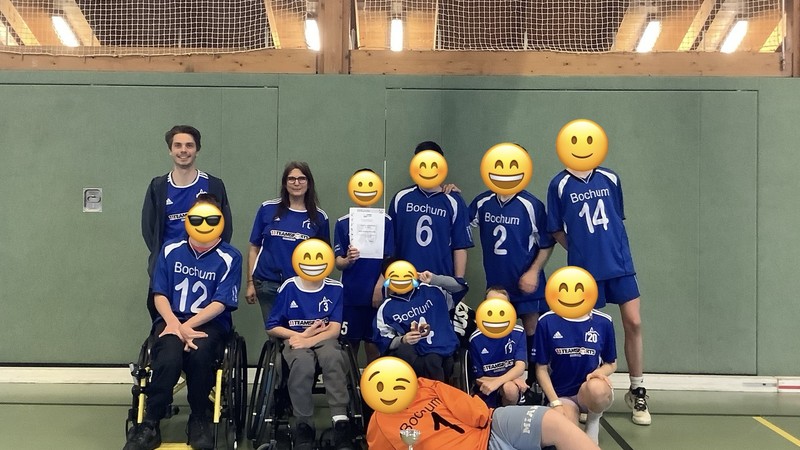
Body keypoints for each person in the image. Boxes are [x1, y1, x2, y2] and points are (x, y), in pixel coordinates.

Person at [125, 195, 241, 450]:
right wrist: (175, 326)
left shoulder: (230, 256)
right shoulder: (170, 249)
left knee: (200, 357)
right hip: (171, 319)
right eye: (198, 217)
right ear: (189, 219)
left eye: (211, 218)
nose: (203, 223)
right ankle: (150, 422)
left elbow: (220, 303)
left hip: (209, 322)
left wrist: (188, 328)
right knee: (167, 356)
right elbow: (160, 295)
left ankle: (199, 419)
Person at [547, 157, 650, 425]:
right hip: (585, 272)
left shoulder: (610, 177)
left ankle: (637, 390)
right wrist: (581, 251)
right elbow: (556, 229)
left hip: (619, 264)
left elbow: (616, 220)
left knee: (634, 322)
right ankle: (585, 394)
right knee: (584, 332)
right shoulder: (559, 184)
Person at [265, 246, 354, 450]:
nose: (313, 263)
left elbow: (334, 329)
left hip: (324, 338)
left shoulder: (335, 288)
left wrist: (309, 340)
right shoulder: (289, 287)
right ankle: (303, 423)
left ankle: (340, 420)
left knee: (333, 356)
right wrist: (300, 336)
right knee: (302, 363)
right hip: (294, 337)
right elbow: (272, 327)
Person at [141, 125, 233, 320]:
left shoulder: (213, 184)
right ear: (170, 150)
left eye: (189, 145)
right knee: (164, 325)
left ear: (197, 150)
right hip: (169, 268)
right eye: (178, 145)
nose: (183, 150)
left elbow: (224, 228)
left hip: (204, 267)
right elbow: (149, 230)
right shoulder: (158, 186)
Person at [469, 180, 554, 387]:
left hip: (525, 282)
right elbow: (459, 222)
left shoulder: (531, 204)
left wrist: (533, 272)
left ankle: (535, 382)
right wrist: (449, 192)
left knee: (532, 328)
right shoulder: (483, 201)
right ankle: (499, 384)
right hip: (497, 286)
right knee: (496, 332)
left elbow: (547, 243)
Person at [366, 376, 600, 450]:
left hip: (492, 423)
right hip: (480, 437)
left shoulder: (423, 384)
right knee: (553, 421)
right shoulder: (380, 427)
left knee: (552, 419)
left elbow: (477, 413)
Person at [246, 161, 330, 324]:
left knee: (297, 333)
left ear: (309, 183)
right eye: (291, 179)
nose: (296, 183)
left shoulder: (319, 218)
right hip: (268, 284)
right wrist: (250, 283)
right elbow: (254, 248)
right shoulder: (267, 209)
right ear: (285, 183)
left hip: (302, 287)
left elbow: (325, 259)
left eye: (301, 178)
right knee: (276, 334)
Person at [334, 169, 395, 364]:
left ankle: (372, 391)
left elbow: (390, 258)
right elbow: (338, 262)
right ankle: (350, 390)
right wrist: (348, 259)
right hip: (351, 294)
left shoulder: (386, 222)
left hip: (377, 294)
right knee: (349, 346)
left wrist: (380, 286)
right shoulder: (342, 223)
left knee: (373, 345)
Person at [388, 141, 473, 278]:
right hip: (405, 279)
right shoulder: (401, 198)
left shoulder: (454, 201)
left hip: (440, 281)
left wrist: (458, 283)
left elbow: (460, 246)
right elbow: (390, 244)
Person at [533, 304, 616, 445]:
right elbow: (541, 369)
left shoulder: (604, 321)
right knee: (568, 439)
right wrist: (555, 402)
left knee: (598, 389)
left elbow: (611, 363)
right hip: (562, 395)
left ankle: (593, 419)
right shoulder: (547, 321)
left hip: (587, 390)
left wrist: (598, 373)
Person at [374, 260, 460, 382]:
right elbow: (382, 338)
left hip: (446, 348)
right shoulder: (387, 308)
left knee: (439, 361)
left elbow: (460, 287)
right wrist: (403, 339)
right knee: (426, 359)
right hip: (418, 356)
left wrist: (434, 279)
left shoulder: (432, 290)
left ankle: (441, 394)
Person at [468, 288, 530, 407]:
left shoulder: (518, 332)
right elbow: (479, 379)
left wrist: (501, 382)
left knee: (510, 389)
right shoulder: (475, 339)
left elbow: (520, 367)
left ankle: (508, 419)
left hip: (511, 387)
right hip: (487, 389)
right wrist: (507, 380)